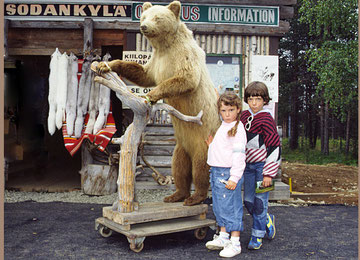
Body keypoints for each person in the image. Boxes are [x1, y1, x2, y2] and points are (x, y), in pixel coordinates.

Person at [240, 81, 281, 250]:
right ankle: (266, 220)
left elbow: (274, 147)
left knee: (259, 202)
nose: (254, 103)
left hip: (263, 168)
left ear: (265, 100)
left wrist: (268, 174)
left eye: (258, 99)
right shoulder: (242, 117)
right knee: (248, 201)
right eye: (250, 99)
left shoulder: (267, 119)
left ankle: (257, 235)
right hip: (247, 168)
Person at [205, 92, 247, 258]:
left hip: (227, 173)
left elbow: (239, 155)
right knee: (220, 206)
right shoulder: (224, 126)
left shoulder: (238, 129)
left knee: (231, 207)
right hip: (216, 171)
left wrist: (234, 177)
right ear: (219, 111)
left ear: (237, 109)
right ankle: (223, 237)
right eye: (223, 110)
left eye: (231, 110)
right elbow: (223, 150)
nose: (227, 114)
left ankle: (235, 242)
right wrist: (212, 145)